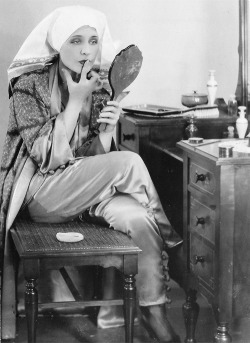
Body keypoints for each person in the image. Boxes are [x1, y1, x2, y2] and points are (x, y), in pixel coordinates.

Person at [0, 6, 182, 343]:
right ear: (58, 44)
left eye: (93, 41)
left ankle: (154, 311)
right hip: (42, 195)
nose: (86, 50)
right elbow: (48, 160)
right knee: (129, 163)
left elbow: (90, 163)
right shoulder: (28, 86)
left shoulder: (98, 86)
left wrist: (105, 132)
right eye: (76, 41)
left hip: (83, 192)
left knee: (138, 217)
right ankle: (176, 246)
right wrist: (74, 103)